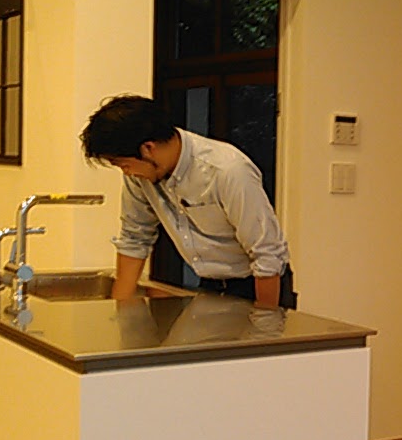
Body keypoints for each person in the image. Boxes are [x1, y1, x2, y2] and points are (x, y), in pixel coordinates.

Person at [80, 95, 293, 307]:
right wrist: (117, 313)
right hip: (210, 284)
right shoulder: (140, 176)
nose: (126, 172)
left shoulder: (227, 170)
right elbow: (134, 238)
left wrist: (264, 319)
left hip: (259, 283)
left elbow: (267, 254)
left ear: (148, 149)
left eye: (123, 165)